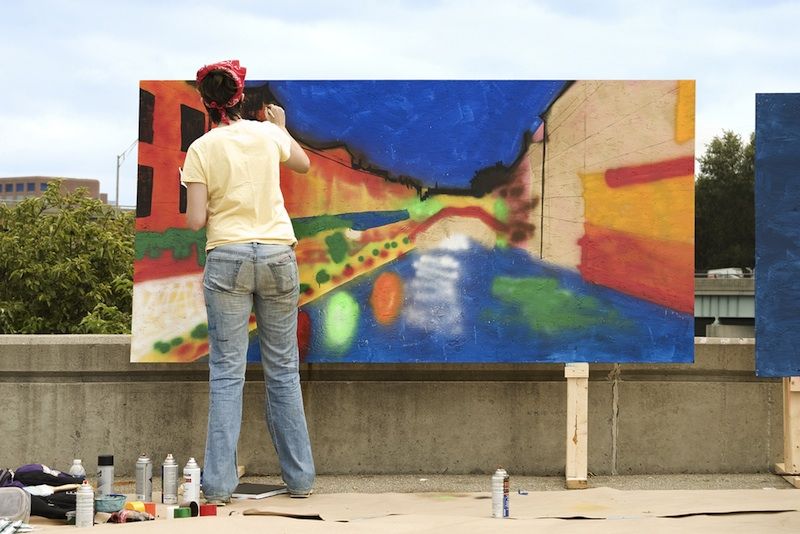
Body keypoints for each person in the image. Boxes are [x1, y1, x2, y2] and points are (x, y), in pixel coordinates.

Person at [181, 59, 315, 501]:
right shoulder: (268, 134)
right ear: (241, 98)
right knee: (283, 372)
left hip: (228, 257)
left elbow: (197, 218)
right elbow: (303, 165)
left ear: (207, 102)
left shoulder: (200, 149)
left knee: (226, 375)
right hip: (277, 254)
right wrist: (282, 126)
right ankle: (299, 480)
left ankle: (217, 486)